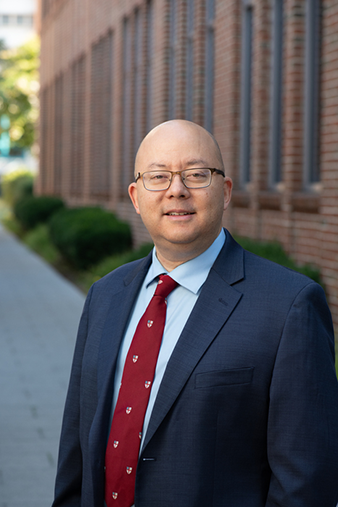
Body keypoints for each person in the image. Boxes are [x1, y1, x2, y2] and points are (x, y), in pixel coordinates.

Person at [52, 120, 338, 507]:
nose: (176, 189)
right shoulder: (105, 295)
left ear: (225, 191)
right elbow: (76, 450)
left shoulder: (289, 305)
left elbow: (305, 483)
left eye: (197, 174)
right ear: (136, 197)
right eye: (158, 176)